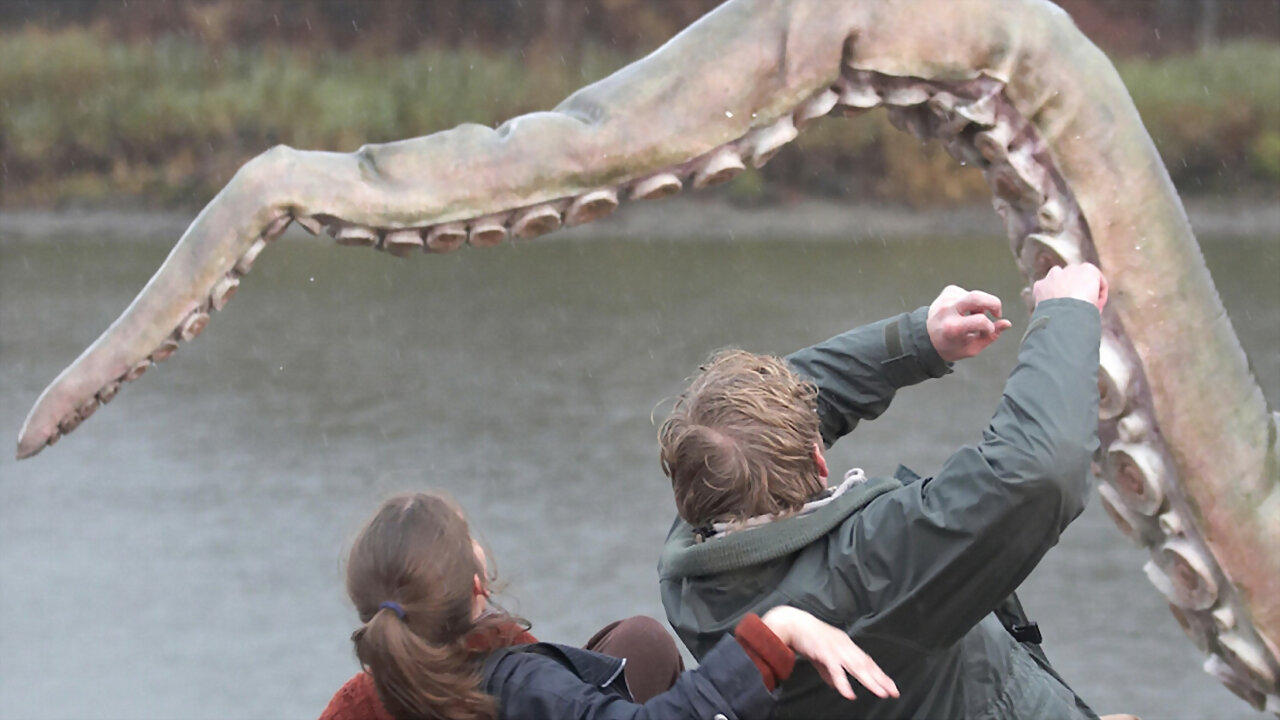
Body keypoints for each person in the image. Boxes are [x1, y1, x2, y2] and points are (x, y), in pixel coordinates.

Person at [657, 264, 1113, 719]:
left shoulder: (693, 570)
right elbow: (1040, 470)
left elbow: (757, 418)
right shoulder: (870, 564)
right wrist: (1066, 313)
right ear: (820, 461)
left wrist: (919, 341)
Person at [320, 490, 900, 720]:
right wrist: (773, 633)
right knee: (644, 645)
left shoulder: (364, 703)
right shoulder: (519, 686)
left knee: (637, 644)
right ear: (477, 584)